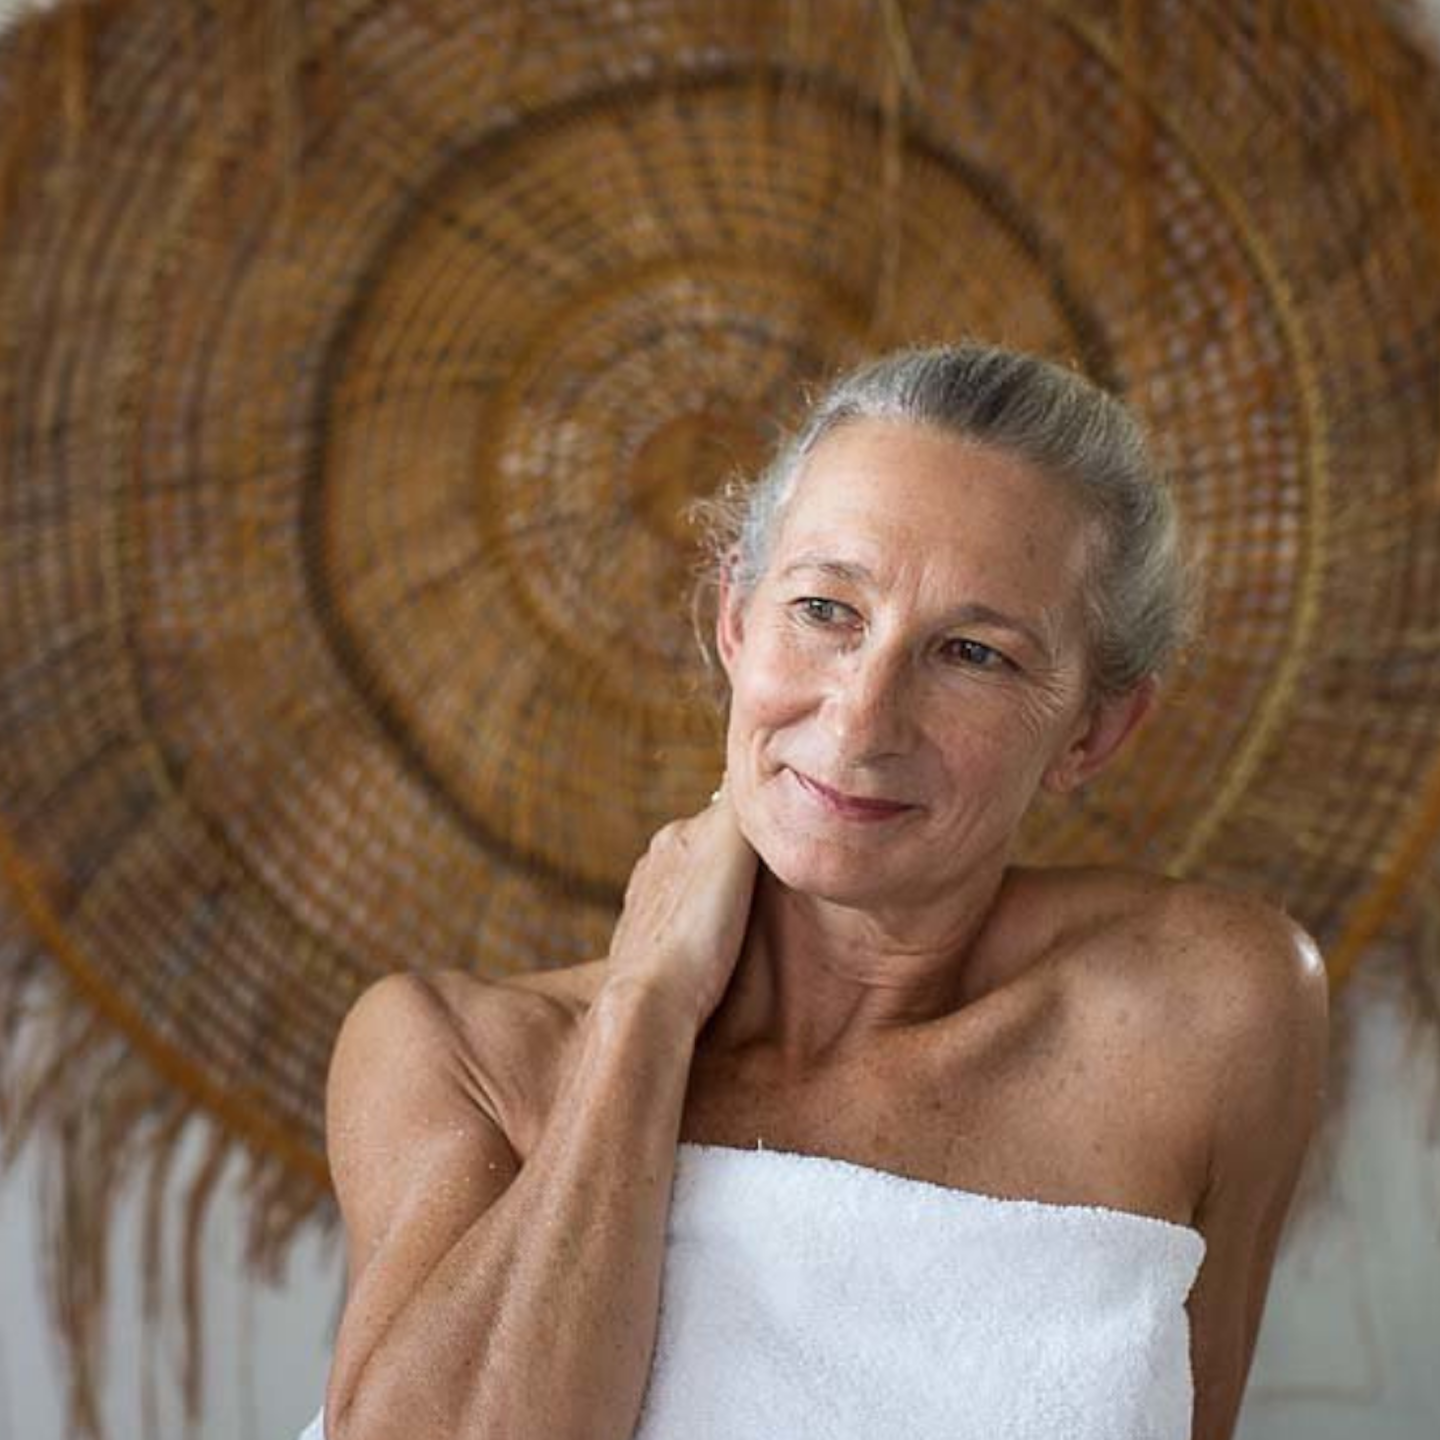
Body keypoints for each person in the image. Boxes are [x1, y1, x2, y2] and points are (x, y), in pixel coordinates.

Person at [302, 344, 1328, 1440]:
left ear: (1094, 730)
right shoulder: (452, 1053)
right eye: (827, 610)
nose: (861, 718)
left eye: (974, 654)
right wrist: (642, 1014)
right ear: (736, 625)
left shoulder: (1206, 1016)